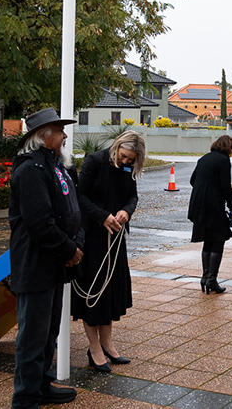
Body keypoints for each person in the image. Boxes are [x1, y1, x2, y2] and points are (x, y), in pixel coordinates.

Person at [9, 108, 83, 409]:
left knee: (50, 331)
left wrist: (75, 243)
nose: (65, 135)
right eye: (59, 130)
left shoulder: (57, 166)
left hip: (55, 264)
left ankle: (42, 384)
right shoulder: (29, 169)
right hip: (36, 264)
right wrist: (70, 250)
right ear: (42, 135)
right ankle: (25, 399)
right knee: (32, 337)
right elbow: (40, 223)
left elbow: (72, 210)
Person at [71, 130, 145, 371]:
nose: (125, 162)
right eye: (123, 156)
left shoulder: (128, 167)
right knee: (93, 293)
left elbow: (132, 196)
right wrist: (102, 216)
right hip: (92, 237)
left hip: (115, 239)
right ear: (116, 147)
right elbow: (78, 196)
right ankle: (94, 348)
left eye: (130, 160)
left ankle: (107, 343)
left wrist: (126, 211)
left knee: (110, 291)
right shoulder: (94, 161)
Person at [187, 134, 232, 295]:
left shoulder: (204, 158)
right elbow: (226, 186)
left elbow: (192, 180)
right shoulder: (223, 160)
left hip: (197, 204)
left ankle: (205, 277)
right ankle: (212, 279)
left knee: (208, 239)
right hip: (213, 204)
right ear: (228, 148)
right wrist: (231, 206)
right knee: (219, 237)